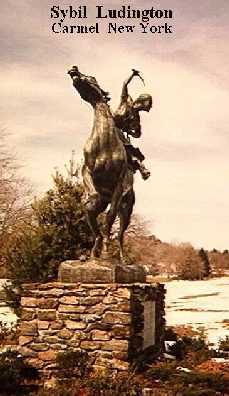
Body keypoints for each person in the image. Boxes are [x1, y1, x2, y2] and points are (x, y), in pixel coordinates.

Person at [114, 69, 152, 180]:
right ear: (141, 101)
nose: (147, 108)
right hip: (110, 124)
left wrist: (130, 132)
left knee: (130, 149)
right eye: (146, 105)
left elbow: (138, 134)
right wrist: (132, 74)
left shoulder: (137, 118)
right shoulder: (127, 100)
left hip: (119, 133)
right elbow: (125, 84)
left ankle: (141, 167)